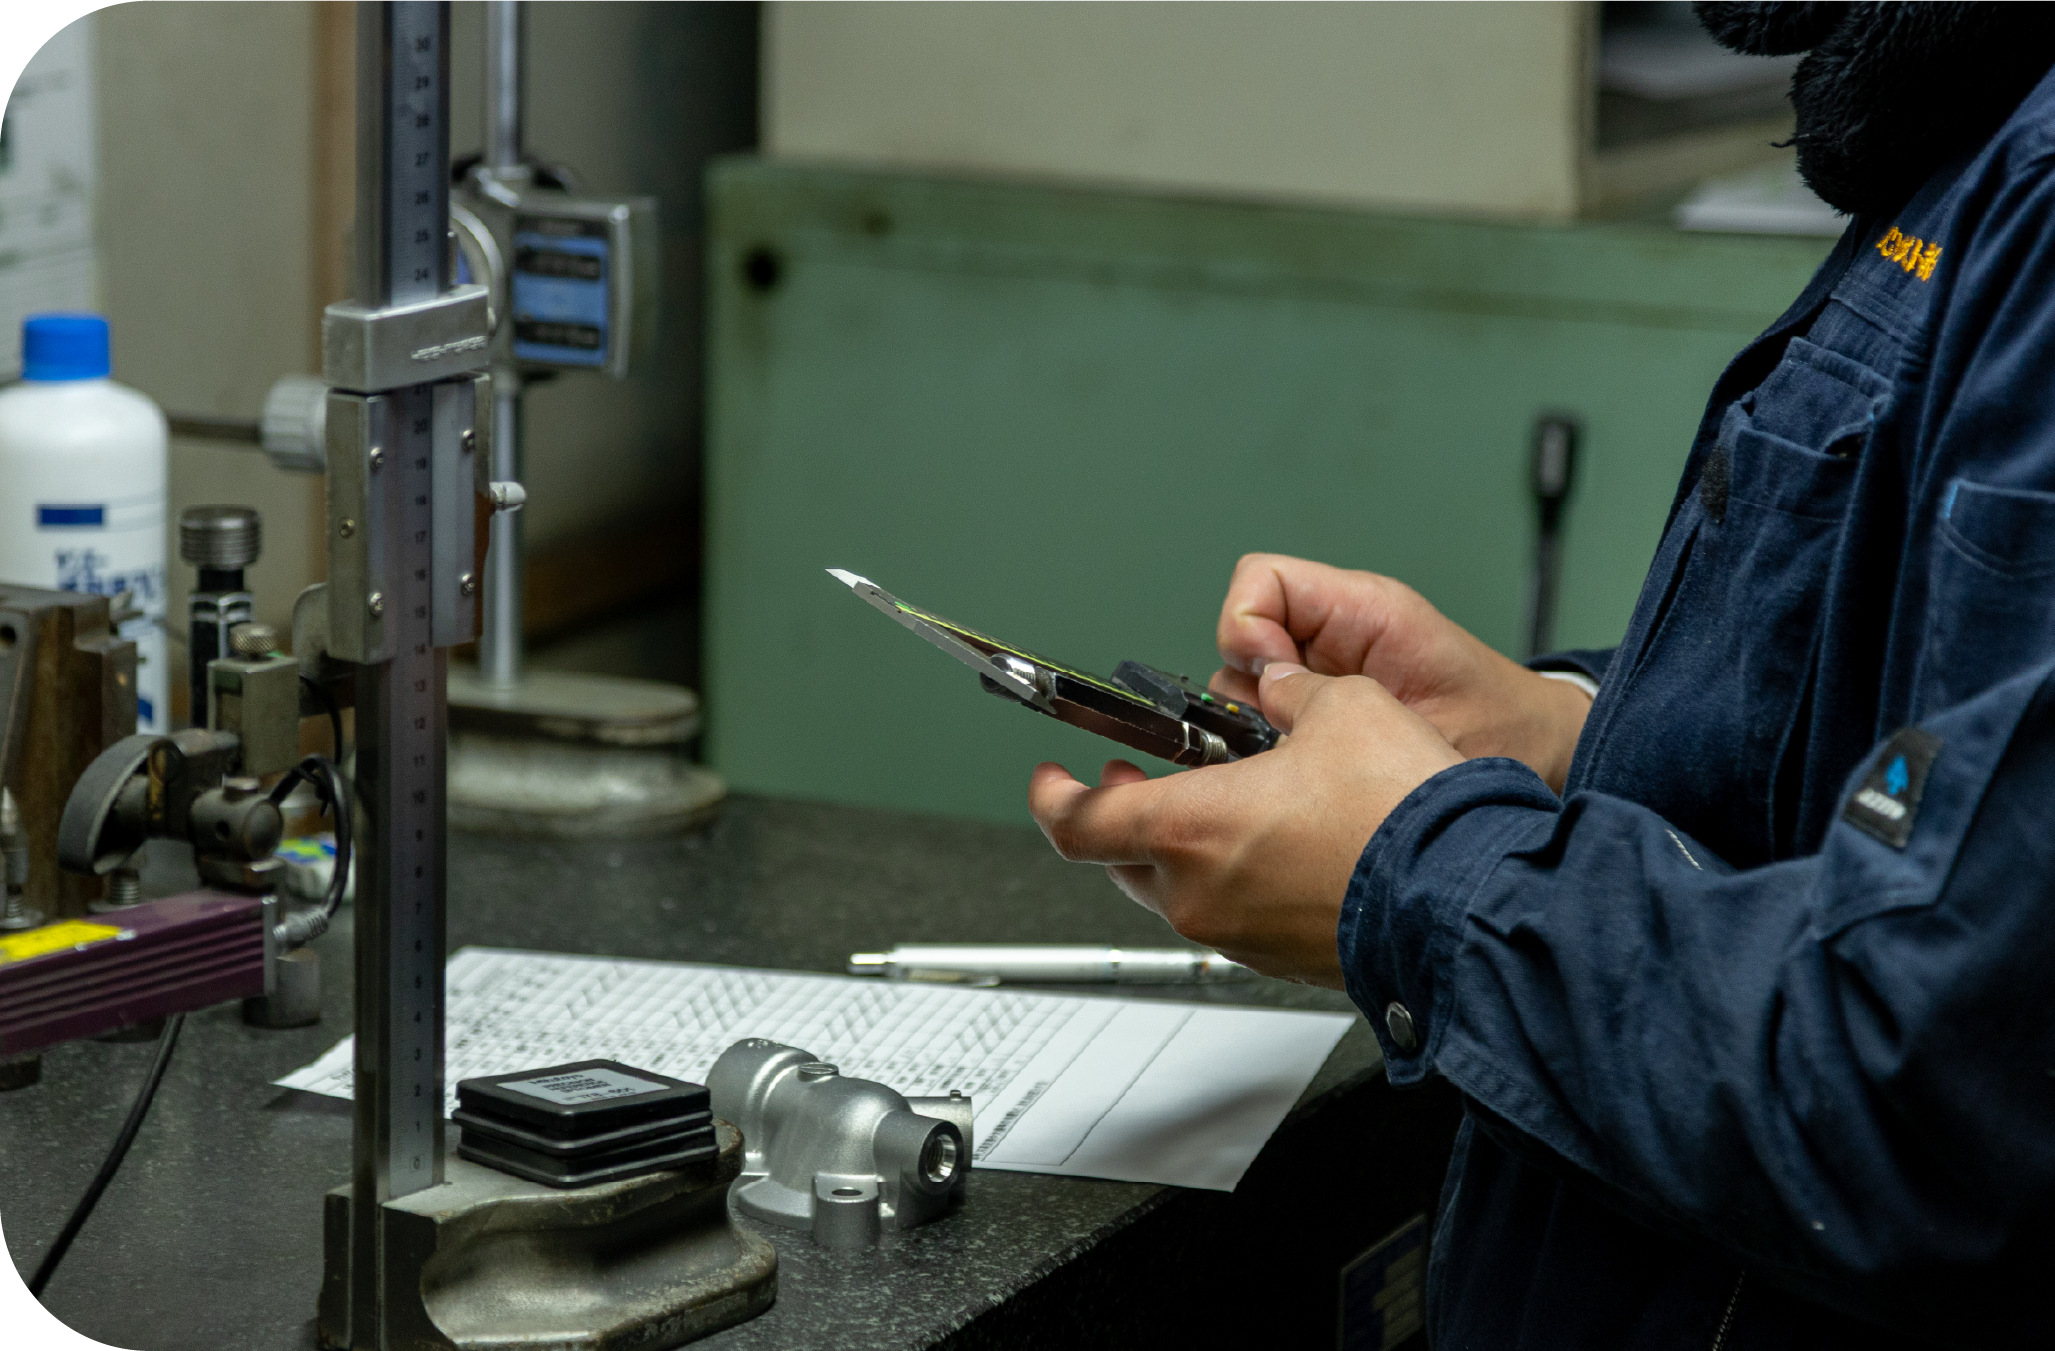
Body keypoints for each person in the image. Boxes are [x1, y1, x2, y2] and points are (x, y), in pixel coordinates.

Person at [1027, 1, 2055, 1344]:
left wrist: (1411, 865)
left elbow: (1916, 1094)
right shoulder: (1972, 115)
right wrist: (1571, 731)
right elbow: (1924, 752)